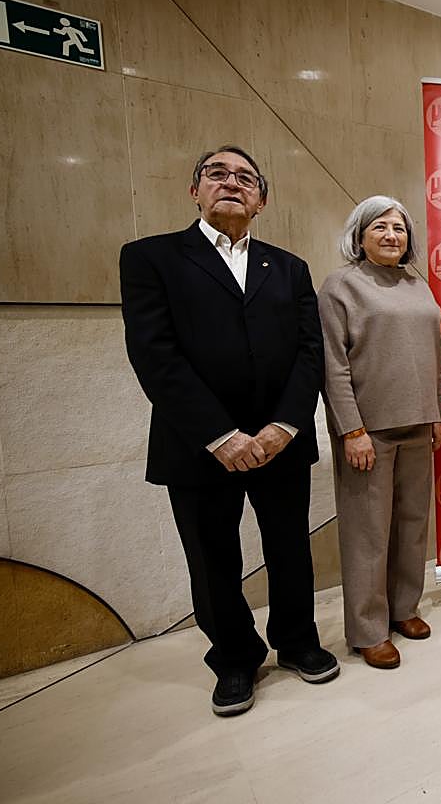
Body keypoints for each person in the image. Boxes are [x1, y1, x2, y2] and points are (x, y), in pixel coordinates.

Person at [120, 145, 338, 717]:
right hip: (198, 447)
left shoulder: (288, 268)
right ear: (195, 190)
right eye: (217, 174)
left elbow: (310, 353)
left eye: (246, 178)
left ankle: (297, 642)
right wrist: (221, 435)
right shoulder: (151, 258)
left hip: (281, 442)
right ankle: (236, 658)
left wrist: (284, 425)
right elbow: (154, 355)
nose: (231, 184)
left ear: (261, 200)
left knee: (291, 548)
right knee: (213, 558)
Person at [318, 196, 441, 670]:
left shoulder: (417, 283)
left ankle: (404, 609)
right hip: (369, 431)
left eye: (400, 228)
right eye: (380, 227)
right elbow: (332, 367)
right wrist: (351, 430)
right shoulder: (340, 287)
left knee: (412, 526)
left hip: (418, 423)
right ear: (360, 234)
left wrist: (436, 412)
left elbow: (436, 355)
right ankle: (368, 629)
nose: (392, 235)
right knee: (368, 533)